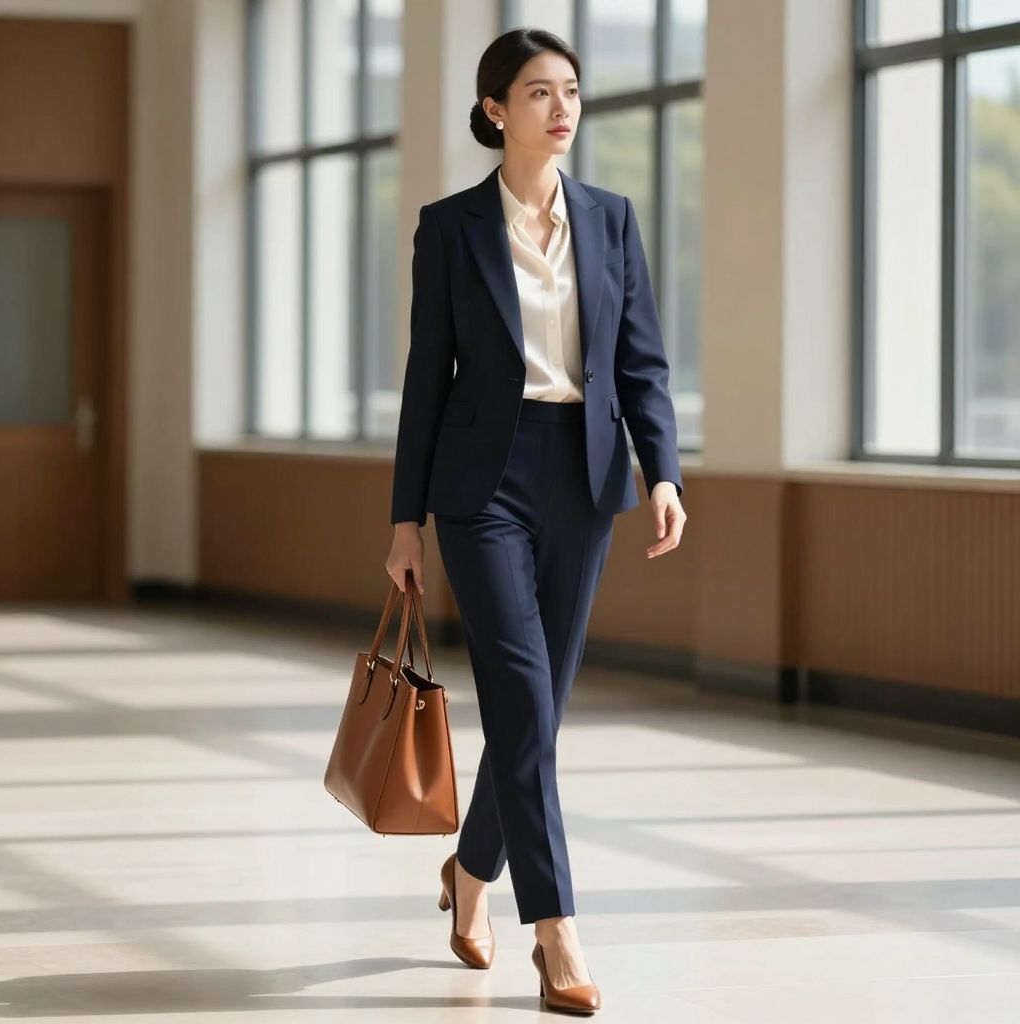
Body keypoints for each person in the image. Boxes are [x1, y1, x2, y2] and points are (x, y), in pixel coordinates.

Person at [385, 27, 686, 1015]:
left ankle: (469, 874)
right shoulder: (452, 227)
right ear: (493, 112)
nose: (562, 107)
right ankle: (554, 930)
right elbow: (427, 381)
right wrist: (405, 521)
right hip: (484, 488)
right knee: (519, 696)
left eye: (571, 90)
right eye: (538, 91)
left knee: (535, 713)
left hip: (584, 479)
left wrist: (664, 474)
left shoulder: (609, 220)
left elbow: (640, 361)